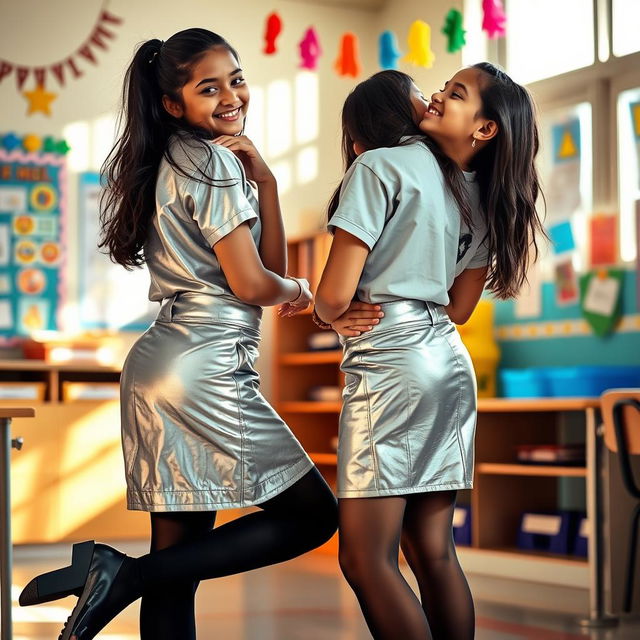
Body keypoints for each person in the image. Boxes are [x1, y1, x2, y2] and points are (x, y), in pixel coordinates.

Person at [19, 28, 337, 640]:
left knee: (177, 570)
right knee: (312, 517)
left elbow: (265, 265)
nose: (231, 96)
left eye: (236, 79)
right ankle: (123, 574)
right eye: (208, 87)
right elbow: (256, 286)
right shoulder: (211, 161)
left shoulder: (174, 160)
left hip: (159, 367)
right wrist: (303, 294)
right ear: (173, 103)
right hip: (206, 364)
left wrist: (266, 183)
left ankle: (122, 574)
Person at [314, 66, 544, 640]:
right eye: (444, 86)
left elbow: (335, 296)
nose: (440, 94)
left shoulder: (379, 166)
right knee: (434, 551)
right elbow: (460, 308)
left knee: (366, 560)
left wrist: (326, 309)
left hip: (391, 364)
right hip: (446, 362)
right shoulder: (485, 196)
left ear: (486, 128)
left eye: (457, 93)